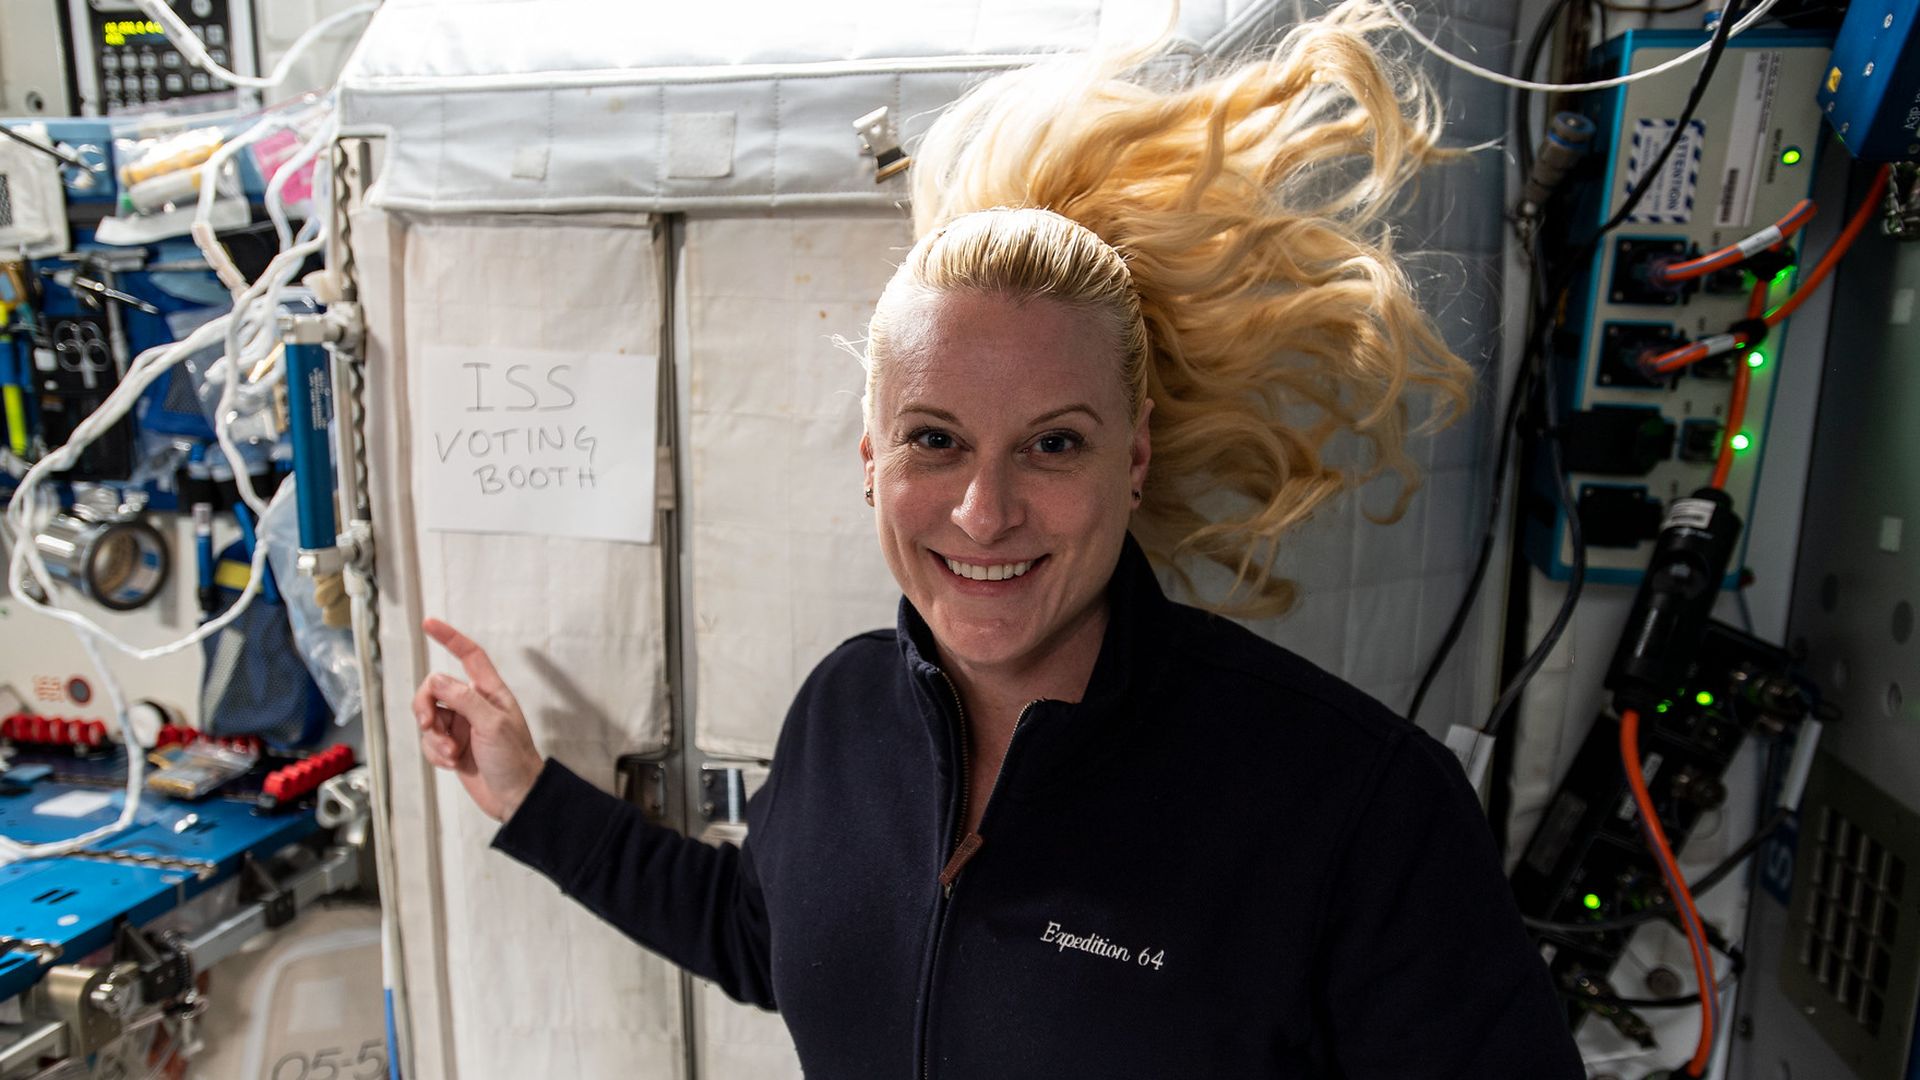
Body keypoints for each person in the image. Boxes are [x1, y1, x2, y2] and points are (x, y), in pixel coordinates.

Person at [412, 3, 1586, 1076]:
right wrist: (526, 794)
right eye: (934, 440)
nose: (985, 511)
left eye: (1054, 445)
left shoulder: (1352, 808)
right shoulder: (840, 717)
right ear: (871, 463)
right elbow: (768, 934)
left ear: (1133, 460)